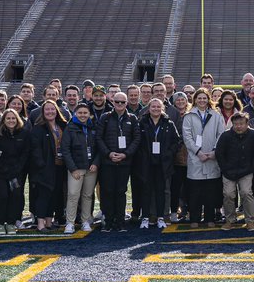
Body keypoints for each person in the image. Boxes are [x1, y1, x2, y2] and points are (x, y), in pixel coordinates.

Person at [182, 88, 225, 227]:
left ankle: (209, 218)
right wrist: (198, 152)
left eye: (204, 98)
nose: (202, 100)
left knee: (210, 192)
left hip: (212, 158)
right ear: (195, 100)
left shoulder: (216, 115)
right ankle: (194, 218)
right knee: (195, 191)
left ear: (208, 100)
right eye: (199, 98)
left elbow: (221, 135)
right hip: (196, 158)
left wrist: (214, 152)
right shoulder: (188, 116)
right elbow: (187, 138)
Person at [97, 92, 139, 232]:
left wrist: (125, 154)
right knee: (107, 191)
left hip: (124, 162)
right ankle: (108, 221)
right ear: (112, 102)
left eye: (122, 102)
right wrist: (109, 154)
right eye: (117, 102)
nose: (120, 104)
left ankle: (120, 222)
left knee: (121, 191)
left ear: (126, 103)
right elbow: (99, 138)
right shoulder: (105, 118)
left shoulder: (132, 118)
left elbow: (136, 139)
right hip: (108, 162)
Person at [215, 111, 254, 230]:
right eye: (236, 124)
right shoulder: (226, 135)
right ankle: (229, 220)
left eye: (241, 123)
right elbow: (219, 153)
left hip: (246, 171)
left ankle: (249, 220)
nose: (239, 126)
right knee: (228, 194)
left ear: (247, 123)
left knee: (247, 193)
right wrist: (225, 168)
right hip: (228, 171)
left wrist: (251, 168)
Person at [136, 97, 180, 229]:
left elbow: (177, 141)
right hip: (146, 163)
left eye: (158, 107)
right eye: (153, 106)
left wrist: (168, 153)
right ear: (148, 108)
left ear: (163, 109)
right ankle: (145, 217)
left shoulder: (168, 123)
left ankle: (161, 217)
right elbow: (136, 141)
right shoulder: (142, 123)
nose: (156, 109)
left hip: (163, 163)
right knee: (146, 190)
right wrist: (142, 155)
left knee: (161, 190)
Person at [61, 102, 99, 234]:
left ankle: (85, 221)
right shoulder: (70, 127)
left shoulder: (93, 127)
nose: (83, 115)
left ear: (89, 114)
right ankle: (70, 222)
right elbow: (65, 150)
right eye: (80, 113)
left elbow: (99, 148)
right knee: (73, 195)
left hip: (91, 168)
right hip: (76, 169)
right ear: (75, 114)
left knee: (87, 195)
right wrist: (73, 169)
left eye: (85, 113)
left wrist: (96, 163)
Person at [28, 100, 67, 232]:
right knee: (43, 195)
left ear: (57, 111)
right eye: (47, 110)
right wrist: (42, 165)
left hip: (59, 166)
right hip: (44, 168)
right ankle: (40, 224)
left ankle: (49, 222)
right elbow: (35, 150)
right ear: (43, 112)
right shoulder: (38, 128)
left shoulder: (62, 126)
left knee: (54, 194)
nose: (50, 112)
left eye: (52, 109)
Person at [170, 91, 191, 221]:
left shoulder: (191, 114)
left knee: (189, 186)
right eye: (177, 100)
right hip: (175, 155)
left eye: (182, 99)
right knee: (175, 186)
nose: (180, 101)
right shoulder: (171, 114)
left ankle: (188, 210)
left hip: (190, 155)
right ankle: (175, 210)